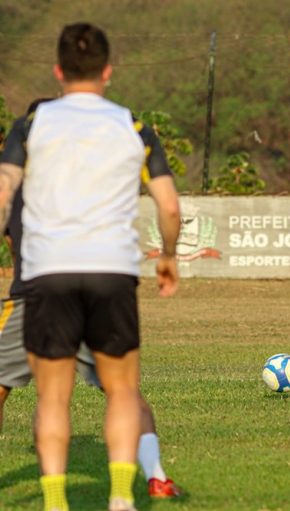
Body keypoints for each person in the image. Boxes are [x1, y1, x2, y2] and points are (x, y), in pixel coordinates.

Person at [0, 22, 180, 511]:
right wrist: (167, 256)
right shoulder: (132, 125)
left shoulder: (31, 125)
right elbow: (168, 206)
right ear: (108, 71)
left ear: (58, 71)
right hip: (112, 271)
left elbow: (3, 192)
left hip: (46, 273)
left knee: (51, 399)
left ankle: (55, 502)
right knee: (122, 391)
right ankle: (121, 497)